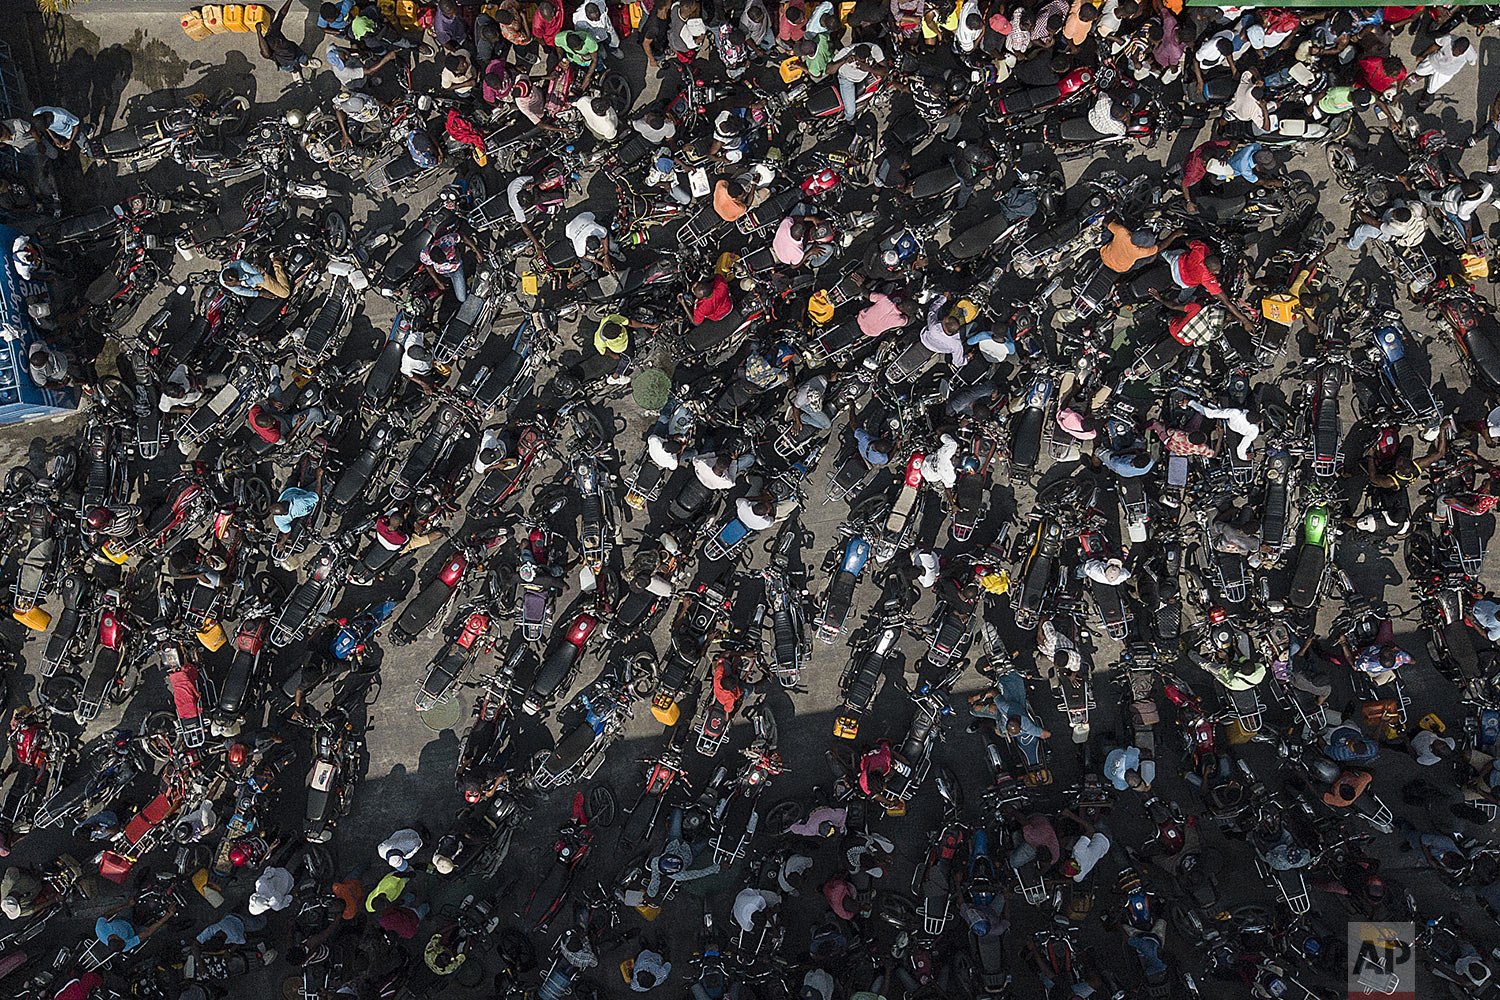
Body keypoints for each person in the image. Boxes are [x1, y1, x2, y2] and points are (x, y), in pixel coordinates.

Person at [258, 0, 318, 74]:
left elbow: (281, 14)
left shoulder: (274, 31)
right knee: (291, 69)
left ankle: (306, 63)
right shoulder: (270, 53)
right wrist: (259, 33)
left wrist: (289, 1)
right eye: (278, 43)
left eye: (279, 40)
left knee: (303, 57)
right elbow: (266, 53)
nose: (281, 41)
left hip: (295, 51)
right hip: (286, 64)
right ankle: (295, 72)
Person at [221, 257, 292, 299]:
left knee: (285, 293)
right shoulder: (228, 282)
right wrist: (256, 294)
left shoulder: (241, 264)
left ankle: (277, 263)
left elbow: (259, 277)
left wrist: (241, 283)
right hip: (251, 282)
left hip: (257, 274)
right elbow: (239, 291)